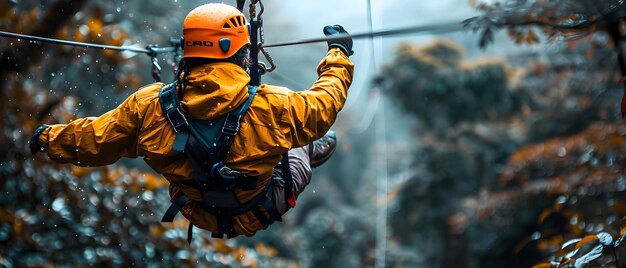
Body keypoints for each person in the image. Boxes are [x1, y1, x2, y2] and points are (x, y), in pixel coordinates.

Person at [29, 3, 353, 239]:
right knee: (296, 145)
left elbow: (96, 140)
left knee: (175, 146)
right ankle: (307, 153)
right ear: (243, 55)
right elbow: (325, 104)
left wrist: (48, 138)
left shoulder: (149, 106)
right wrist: (338, 53)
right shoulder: (272, 107)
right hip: (260, 207)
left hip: (196, 208)